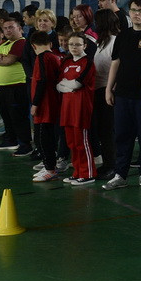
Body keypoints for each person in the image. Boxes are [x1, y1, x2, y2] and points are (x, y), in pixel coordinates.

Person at [104, 0, 141, 191]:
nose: (136, 14)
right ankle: (120, 174)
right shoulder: (123, 35)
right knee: (122, 135)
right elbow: (115, 63)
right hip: (123, 94)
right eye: (134, 10)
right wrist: (109, 88)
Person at [0, 13, 33, 155]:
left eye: (11, 27)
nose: (8, 30)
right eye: (5, 28)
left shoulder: (21, 43)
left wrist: (1, 59)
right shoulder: (4, 44)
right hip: (2, 88)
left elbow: (9, 60)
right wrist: (0, 58)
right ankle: (11, 140)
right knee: (7, 117)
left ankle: (25, 144)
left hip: (17, 87)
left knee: (18, 117)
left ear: (19, 28)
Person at [57, 34, 96, 185]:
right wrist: (70, 86)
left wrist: (68, 85)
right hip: (67, 108)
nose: (74, 47)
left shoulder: (88, 62)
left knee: (82, 142)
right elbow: (58, 85)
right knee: (71, 142)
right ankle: (77, 172)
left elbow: (78, 84)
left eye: (78, 44)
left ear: (84, 46)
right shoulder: (66, 62)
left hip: (81, 108)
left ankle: (88, 174)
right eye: (71, 44)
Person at [29, 31, 63, 181]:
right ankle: (49, 165)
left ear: (33, 46)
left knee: (42, 138)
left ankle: (50, 169)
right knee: (46, 136)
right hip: (51, 102)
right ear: (50, 43)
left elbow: (42, 81)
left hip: (45, 104)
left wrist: (35, 103)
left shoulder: (42, 58)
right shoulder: (54, 57)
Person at [90, 9, 119, 176]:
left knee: (108, 131)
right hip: (98, 90)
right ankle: (108, 163)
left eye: (97, 22)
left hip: (108, 91)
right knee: (102, 130)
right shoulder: (101, 43)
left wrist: (111, 90)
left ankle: (112, 165)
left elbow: (118, 68)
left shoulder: (114, 42)